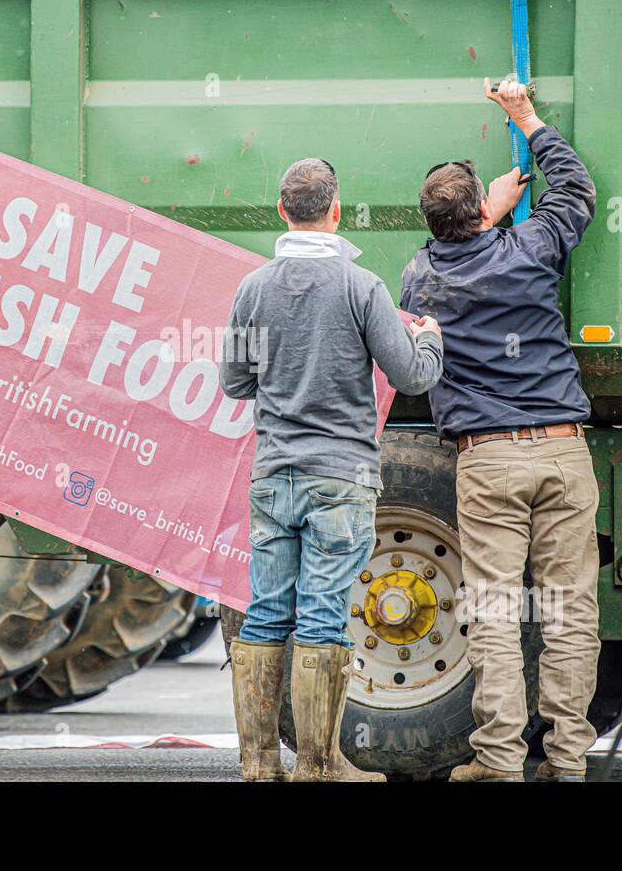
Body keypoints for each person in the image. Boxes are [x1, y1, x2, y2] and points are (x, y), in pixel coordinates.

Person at [400, 77, 601, 782]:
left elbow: (452, 262)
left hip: (486, 462)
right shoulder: (529, 247)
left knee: (492, 611)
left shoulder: (420, 278)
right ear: (482, 209)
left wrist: (485, 214)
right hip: (562, 452)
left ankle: (499, 761)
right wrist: (527, 120)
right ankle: (568, 759)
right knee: (570, 609)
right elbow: (576, 193)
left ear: (430, 221)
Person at [219, 157, 443, 782]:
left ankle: (260, 767)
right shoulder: (362, 288)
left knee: (265, 613)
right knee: (321, 618)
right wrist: (430, 337)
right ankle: (320, 767)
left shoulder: (252, 289)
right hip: (340, 479)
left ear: (281, 210)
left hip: (274, 478)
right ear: (336, 210)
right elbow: (412, 376)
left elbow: (235, 381)